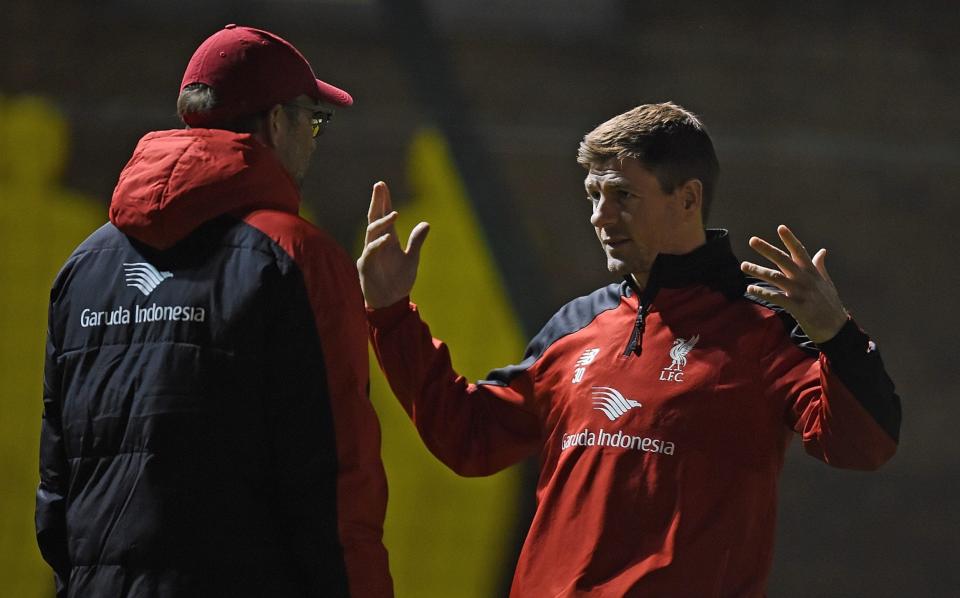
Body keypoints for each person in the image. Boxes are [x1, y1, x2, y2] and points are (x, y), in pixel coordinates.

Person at [357, 102, 901, 596]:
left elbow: (864, 445)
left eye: (622, 195)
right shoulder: (578, 325)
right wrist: (390, 314)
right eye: (594, 195)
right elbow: (470, 438)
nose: (599, 215)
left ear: (687, 198)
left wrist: (837, 334)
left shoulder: (762, 327)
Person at [36, 25, 391, 598]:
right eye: (312, 119)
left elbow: (56, 487)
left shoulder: (84, 266)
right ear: (278, 121)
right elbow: (336, 484)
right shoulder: (298, 257)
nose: (314, 138)